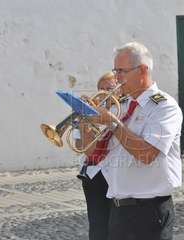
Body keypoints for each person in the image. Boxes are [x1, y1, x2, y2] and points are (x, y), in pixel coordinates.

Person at [88, 42, 183, 240]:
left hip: (149, 211)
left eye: (121, 71)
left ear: (142, 70)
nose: (117, 78)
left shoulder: (163, 106)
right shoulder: (121, 105)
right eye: (116, 71)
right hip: (118, 210)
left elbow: (146, 154)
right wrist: (83, 120)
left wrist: (113, 124)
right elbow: (93, 154)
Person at [76, 71, 121, 240]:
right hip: (93, 176)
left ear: (119, 89)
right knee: (97, 227)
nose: (103, 92)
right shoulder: (91, 113)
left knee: (114, 227)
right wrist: (83, 121)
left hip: (113, 175)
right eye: (100, 88)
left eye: (108, 88)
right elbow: (82, 147)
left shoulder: (120, 112)